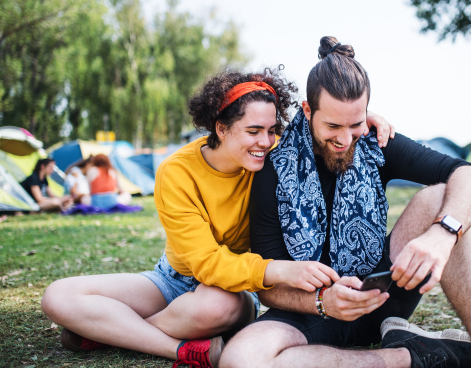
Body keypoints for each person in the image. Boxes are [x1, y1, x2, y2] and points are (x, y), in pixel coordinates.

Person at [41, 67, 393, 367]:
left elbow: (324, 127)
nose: (266, 142)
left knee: (214, 306)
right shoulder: (176, 172)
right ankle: (179, 349)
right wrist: (281, 270)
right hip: (175, 278)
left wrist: (362, 124)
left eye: (271, 131)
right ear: (221, 128)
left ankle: (112, 329)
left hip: (235, 291)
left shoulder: (278, 157)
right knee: (58, 296)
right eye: (253, 131)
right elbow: (205, 262)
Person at [220, 37, 471, 368]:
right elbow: (268, 287)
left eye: (355, 124)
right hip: (311, 309)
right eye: (332, 126)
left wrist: (442, 234)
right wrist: (325, 302)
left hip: (382, 292)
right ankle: (411, 356)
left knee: (441, 197)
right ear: (308, 110)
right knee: (240, 359)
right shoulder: (273, 168)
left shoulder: (377, 141)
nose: (345, 138)